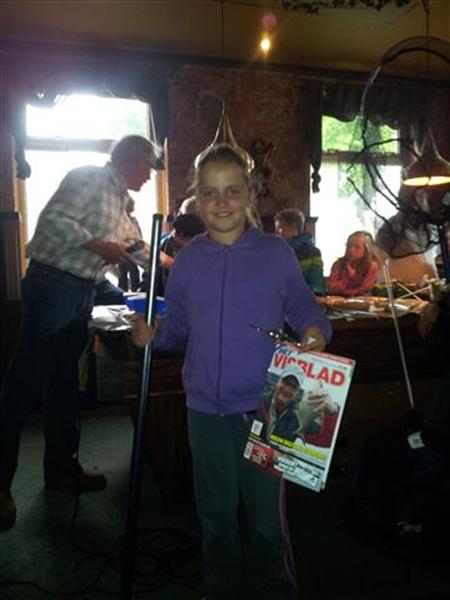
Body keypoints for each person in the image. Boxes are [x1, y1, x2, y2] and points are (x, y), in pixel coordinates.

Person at [132, 143, 332, 600]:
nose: (221, 202)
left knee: (265, 517)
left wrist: (315, 331)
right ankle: (220, 588)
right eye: (209, 193)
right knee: (215, 513)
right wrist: (153, 333)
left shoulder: (276, 253)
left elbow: (303, 305)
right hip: (204, 409)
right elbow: (177, 324)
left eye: (232, 191)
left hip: (266, 408)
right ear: (196, 199)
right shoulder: (188, 259)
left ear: (250, 194)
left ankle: (275, 590)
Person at [0, 135, 159, 531]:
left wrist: (182, 262)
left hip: (80, 289)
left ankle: (62, 470)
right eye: (148, 167)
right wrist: (98, 245)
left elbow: (137, 248)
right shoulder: (89, 177)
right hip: (54, 282)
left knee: (65, 385)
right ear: (131, 159)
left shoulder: (119, 202)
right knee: (23, 384)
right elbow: (54, 221)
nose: (150, 176)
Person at [274, 208, 325, 295]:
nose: (277, 234)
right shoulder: (275, 251)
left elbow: (317, 285)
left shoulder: (312, 253)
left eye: (280, 229)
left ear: (293, 227)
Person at [328, 231, 379, 296]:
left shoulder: (371, 266)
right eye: (348, 246)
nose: (351, 250)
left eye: (357, 247)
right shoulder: (338, 265)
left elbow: (364, 290)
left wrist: (352, 279)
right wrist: (347, 279)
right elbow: (331, 288)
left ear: (366, 250)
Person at [118, 197, 143, 292]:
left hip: (133, 250)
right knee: (122, 274)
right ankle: (122, 293)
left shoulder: (133, 220)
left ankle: (136, 291)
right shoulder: (119, 220)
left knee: (134, 273)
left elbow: (139, 235)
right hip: (121, 250)